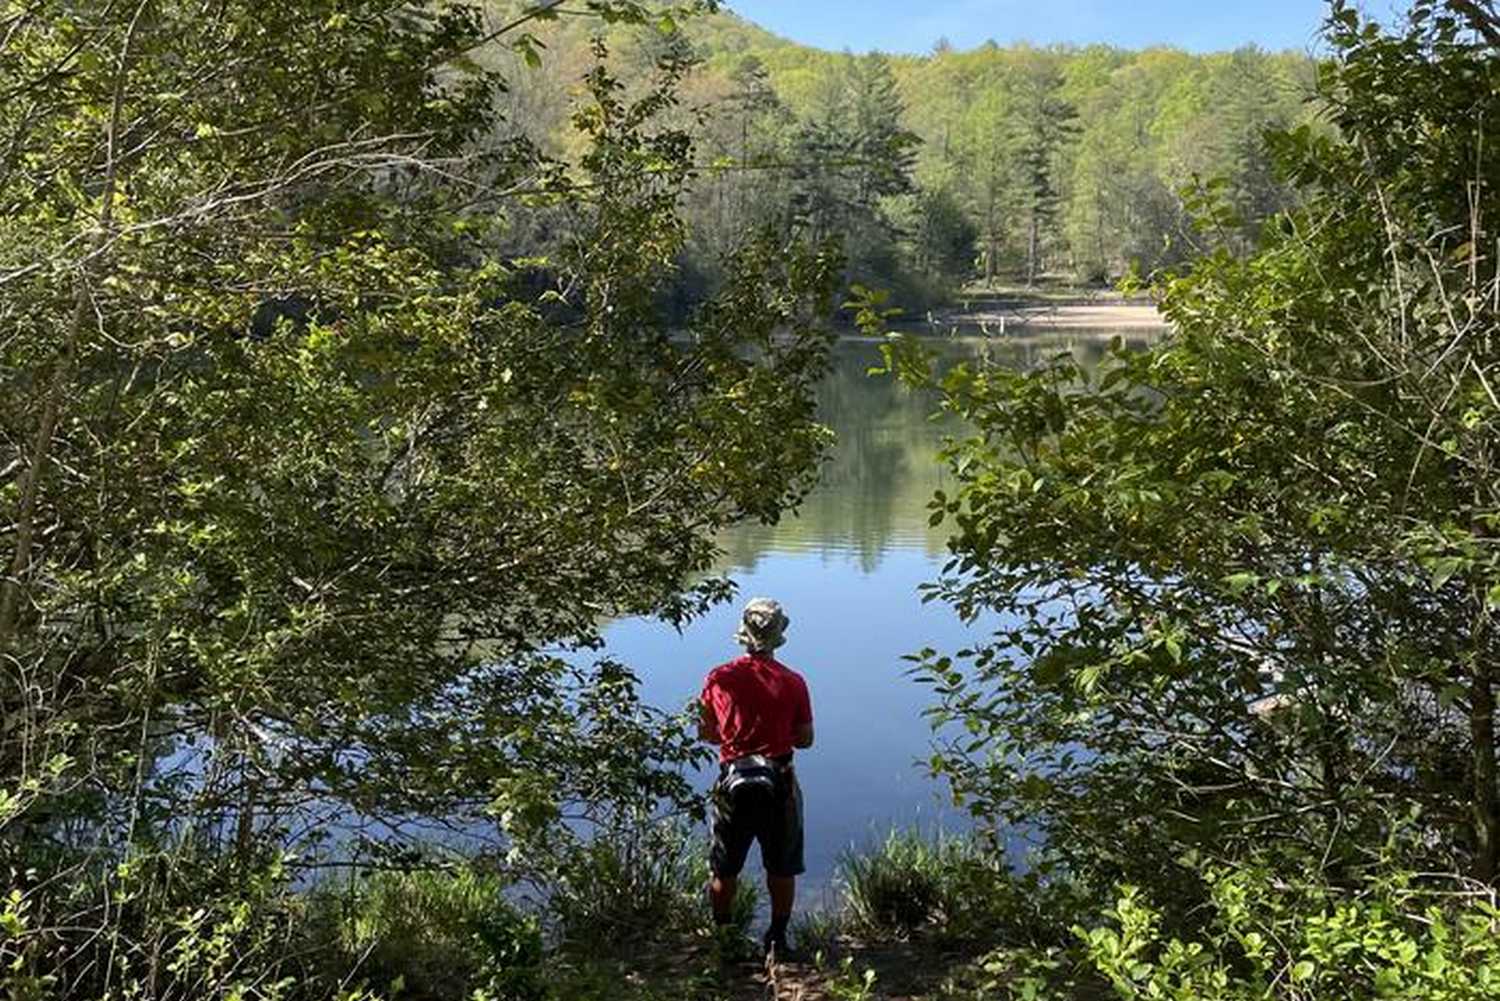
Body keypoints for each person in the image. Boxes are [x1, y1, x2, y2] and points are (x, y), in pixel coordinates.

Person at [698, 597, 814, 961]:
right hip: (778, 781)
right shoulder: (793, 682)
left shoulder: (718, 678)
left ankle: (723, 937)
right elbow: (805, 739)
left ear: (743, 634)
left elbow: (706, 733)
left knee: (724, 864)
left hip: (732, 783)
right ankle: (777, 940)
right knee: (782, 866)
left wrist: (735, 735)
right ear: (779, 635)